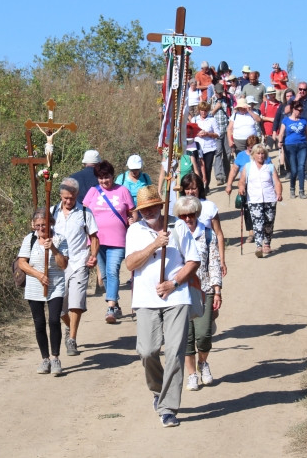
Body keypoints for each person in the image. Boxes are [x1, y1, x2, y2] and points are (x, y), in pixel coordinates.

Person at [125, 185, 200, 428]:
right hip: (145, 300)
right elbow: (130, 264)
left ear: (160, 205)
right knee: (147, 351)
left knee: (175, 352)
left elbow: (193, 261)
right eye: (143, 209)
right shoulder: (134, 231)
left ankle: (168, 408)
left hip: (176, 298)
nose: (148, 212)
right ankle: (159, 390)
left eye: (152, 207)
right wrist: (155, 245)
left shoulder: (178, 226)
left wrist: (173, 283)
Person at [174, 195, 222, 391]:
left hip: (204, 290)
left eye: (191, 215)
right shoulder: (174, 235)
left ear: (197, 214)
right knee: (187, 337)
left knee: (203, 335)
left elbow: (214, 263)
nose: (188, 219)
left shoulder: (207, 234)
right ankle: (192, 374)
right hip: (181, 292)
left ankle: (203, 362)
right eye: (183, 216)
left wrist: (217, 290)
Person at [16, 208, 69, 375]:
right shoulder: (29, 239)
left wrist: (53, 248)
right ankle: (45, 358)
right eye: (37, 225)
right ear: (33, 225)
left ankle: (55, 358)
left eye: (44, 225)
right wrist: (38, 275)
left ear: (50, 223)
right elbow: (22, 263)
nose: (40, 229)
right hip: (34, 285)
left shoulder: (60, 239)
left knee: (54, 320)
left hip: (56, 285)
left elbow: (63, 265)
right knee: (39, 323)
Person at [83, 161, 135, 323]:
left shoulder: (122, 191)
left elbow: (132, 212)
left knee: (112, 271)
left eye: (107, 177)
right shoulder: (93, 192)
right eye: (101, 178)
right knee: (104, 275)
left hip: (118, 240)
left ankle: (110, 308)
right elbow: (84, 212)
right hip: (97, 241)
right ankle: (116, 304)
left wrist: (132, 221)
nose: (104, 181)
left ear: (113, 176)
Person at [53, 178, 99, 356]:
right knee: (58, 307)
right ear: (60, 195)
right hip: (57, 265)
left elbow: (94, 238)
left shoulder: (85, 213)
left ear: (77, 195)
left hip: (79, 262)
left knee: (76, 302)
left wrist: (93, 256)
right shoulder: (52, 212)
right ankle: (68, 326)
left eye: (71, 198)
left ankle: (72, 339)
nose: (68, 201)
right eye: (65, 198)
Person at [179, 173, 227, 277]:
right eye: (187, 189)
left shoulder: (209, 206)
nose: (190, 192)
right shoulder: (179, 208)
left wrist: (222, 260)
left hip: (207, 257)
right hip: (185, 259)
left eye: (193, 188)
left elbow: (219, 234)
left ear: (199, 188)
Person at [239, 144, 283, 257]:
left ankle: (267, 244)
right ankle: (259, 246)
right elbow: (242, 181)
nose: (260, 156)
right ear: (253, 155)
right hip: (254, 199)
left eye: (262, 153)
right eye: (258, 153)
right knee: (258, 223)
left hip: (269, 198)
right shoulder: (248, 167)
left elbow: (277, 182)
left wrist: (279, 193)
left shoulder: (270, 167)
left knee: (269, 222)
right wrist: (241, 188)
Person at [225, 135, 268, 246]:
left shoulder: (263, 155)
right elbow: (234, 170)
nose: (251, 149)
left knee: (261, 208)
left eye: (254, 147)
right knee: (248, 209)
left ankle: (261, 229)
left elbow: (271, 171)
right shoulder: (241, 156)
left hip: (260, 185)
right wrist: (229, 184)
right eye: (249, 147)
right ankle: (251, 233)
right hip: (245, 185)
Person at [278, 98, 307, 199]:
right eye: (299, 110)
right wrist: (280, 142)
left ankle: (302, 191)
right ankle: (292, 189)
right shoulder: (286, 120)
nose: (300, 112)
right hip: (290, 146)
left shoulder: (303, 121)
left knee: (301, 167)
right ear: (293, 109)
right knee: (294, 170)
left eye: (302, 110)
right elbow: (281, 133)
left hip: (302, 145)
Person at [191, 101, 221, 189]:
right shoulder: (194, 120)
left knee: (207, 168)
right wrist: (197, 134)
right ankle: (199, 186)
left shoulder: (212, 120)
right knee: (197, 168)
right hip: (197, 147)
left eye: (205, 110)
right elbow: (190, 133)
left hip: (209, 148)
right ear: (199, 110)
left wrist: (208, 134)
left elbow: (217, 134)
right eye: (202, 110)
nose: (203, 112)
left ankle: (206, 186)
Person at [209, 82, 233, 186]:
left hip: (226, 129)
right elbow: (208, 115)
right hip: (216, 132)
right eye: (218, 92)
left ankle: (227, 174)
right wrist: (216, 108)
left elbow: (231, 113)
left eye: (221, 92)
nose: (219, 94)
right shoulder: (211, 100)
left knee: (227, 153)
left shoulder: (227, 100)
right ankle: (219, 176)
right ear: (215, 91)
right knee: (218, 153)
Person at [272, 88, 295, 177]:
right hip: (284, 132)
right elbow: (277, 119)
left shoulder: (297, 105)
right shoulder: (282, 106)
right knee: (286, 152)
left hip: (295, 132)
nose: (289, 98)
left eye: (291, 96)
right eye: (287, 96)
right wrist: (274, 131)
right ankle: (289, 170)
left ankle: (296, 170)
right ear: (285, 97)